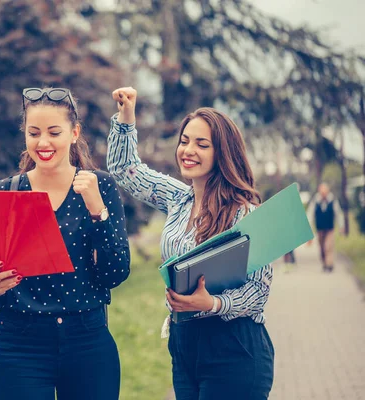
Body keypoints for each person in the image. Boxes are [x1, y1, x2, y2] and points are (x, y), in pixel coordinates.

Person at [107, 87, 274, 400]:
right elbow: (125, 170)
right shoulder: (177, 198)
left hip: (234, 348)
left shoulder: (244, 213)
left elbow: (259, 292)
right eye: (184, 141)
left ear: (222, 152)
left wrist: (211, 304)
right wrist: (126, 117)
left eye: (201, 144)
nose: (188, 150)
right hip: (185, 344)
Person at [0, 87, 131, 400]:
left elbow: (115, 274)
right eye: (33, 133)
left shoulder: (100, 186)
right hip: (18, 346)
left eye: (53, 132)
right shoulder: (5, 193)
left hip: (87, 342)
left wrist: (98, 212)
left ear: (74, 133)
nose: (43, 143)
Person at [306, 182, 344, 272]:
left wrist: (341, 226)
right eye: (321, 191)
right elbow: (310, 215)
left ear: (327, 191)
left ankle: (329, 264)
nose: (323, 193)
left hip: (330, 228)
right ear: (319, 191)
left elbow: (338, 214)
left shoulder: (333, 200)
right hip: (319, 229)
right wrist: (309, 229)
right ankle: (324, 262)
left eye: (325, 191)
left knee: (328, 246)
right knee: (322, 247)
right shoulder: (315, 200)